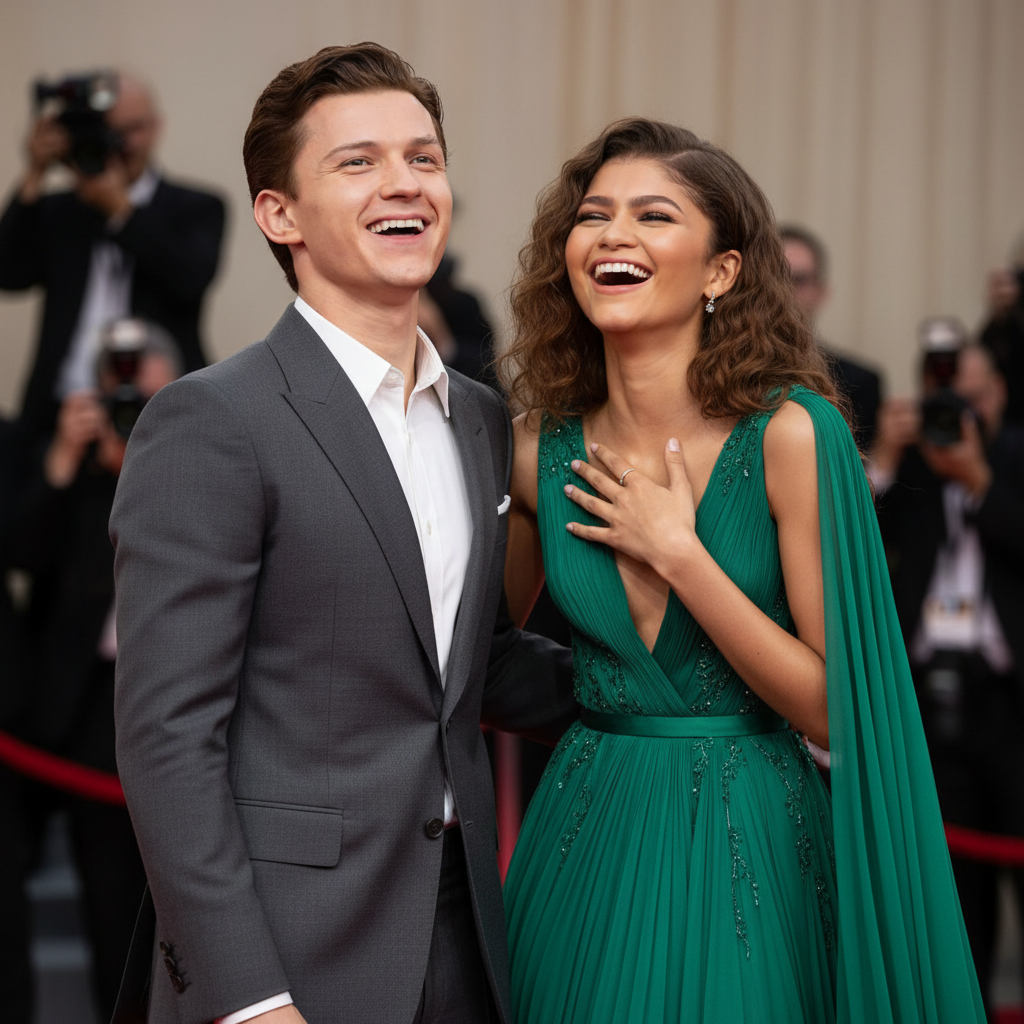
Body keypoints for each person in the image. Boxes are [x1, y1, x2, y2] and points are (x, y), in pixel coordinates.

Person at [109, 44, 575, 1024]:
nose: (403, 182)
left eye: (423, 157)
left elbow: (470, 668)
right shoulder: (214, 420)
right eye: (356, 161)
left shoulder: (482, 420)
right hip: (289, 949)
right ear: (279, 214)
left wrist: (695, 696)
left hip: (464, 937)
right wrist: (247, 998)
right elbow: (167, 741)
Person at [498, 118, 984, 1023]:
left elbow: (841, 708)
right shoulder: (532, 452)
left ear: (721, 271)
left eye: (654, 216)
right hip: (581, 836)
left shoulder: (795, 436)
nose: (614, 236)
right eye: (594, 215)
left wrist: (682, 555)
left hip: (748, 848)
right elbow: (476, 657)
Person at [3, 319, 176, 1022]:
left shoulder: (204, 451)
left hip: (178, 703)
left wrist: (147, 458)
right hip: (83, 718)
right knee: (106, 905)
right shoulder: (76, 479)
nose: (130, 397)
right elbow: (22, 552)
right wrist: (66, 460)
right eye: (117, 382)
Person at [872, 336, 1024, 1018]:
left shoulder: (1015, 458)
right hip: (928, 690)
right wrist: (883, 459)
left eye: (976, 394)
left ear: (999, 396)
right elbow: (850, 550)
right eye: (948, 398)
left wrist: (977, 477)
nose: (960, 412)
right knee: (953, 893)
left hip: (1010, 701)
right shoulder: (915, 469)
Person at [0, 71, 225, 438]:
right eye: (107, 130)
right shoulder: (61, 211)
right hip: (63, 416)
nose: (119, 144)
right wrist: (34, 173)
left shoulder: (197, 206)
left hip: (164, 412)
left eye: (131, 129)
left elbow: (190, 280)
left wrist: (120, 210)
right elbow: (8, 275)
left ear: (155, 127)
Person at [779, 225, 882, 447]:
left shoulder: (860, 383)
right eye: (776, 276)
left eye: (798, 280)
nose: (785, 290)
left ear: (822, 291)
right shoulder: (720, 371)